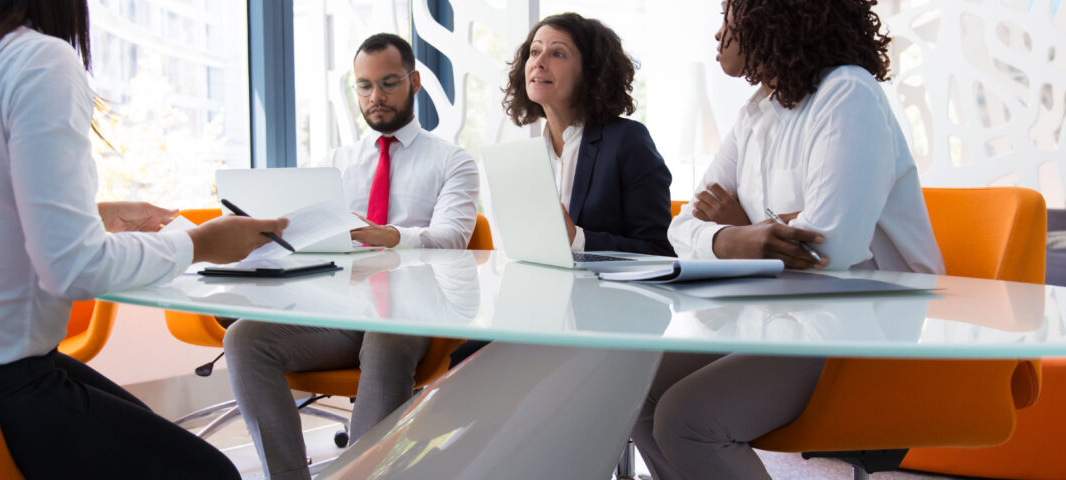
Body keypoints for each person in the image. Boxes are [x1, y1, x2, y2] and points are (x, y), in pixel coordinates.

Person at [0, 1, 287, 478]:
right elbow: (74, 268)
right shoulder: (38, 59)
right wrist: (198, 243)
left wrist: (96, 215)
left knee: (146, 433)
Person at [634, 1, 945, 478]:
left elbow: (828, 248)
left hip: (865, 333)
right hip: (786, 320)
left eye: (730, 20)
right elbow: (680, 228)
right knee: (630, 393)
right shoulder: (756, 114)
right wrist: (745, 236)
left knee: (686, 418)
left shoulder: (848, 95)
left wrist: (739, 230)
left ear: (772, 19)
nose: (718, 35)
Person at [221, 33, 480, 480]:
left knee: (384, 337)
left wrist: (393, 236)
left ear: (414, 82)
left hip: (411, 314)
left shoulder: (452, 160)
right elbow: (309, 237)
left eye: (388, 83)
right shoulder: (336, 163)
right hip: (340, 312)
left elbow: (455, 237)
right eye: (364, 86)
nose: (375, 97)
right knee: (243, 337)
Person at [450, 12, 675, 367]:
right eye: (534, 52)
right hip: (539, 315)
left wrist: (577, 239)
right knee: (461, 365)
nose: (538, 62)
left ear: (590, 72)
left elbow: (660, 255)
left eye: (557, 53)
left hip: (603, 327)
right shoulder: (527, 154)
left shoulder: (627, 142)